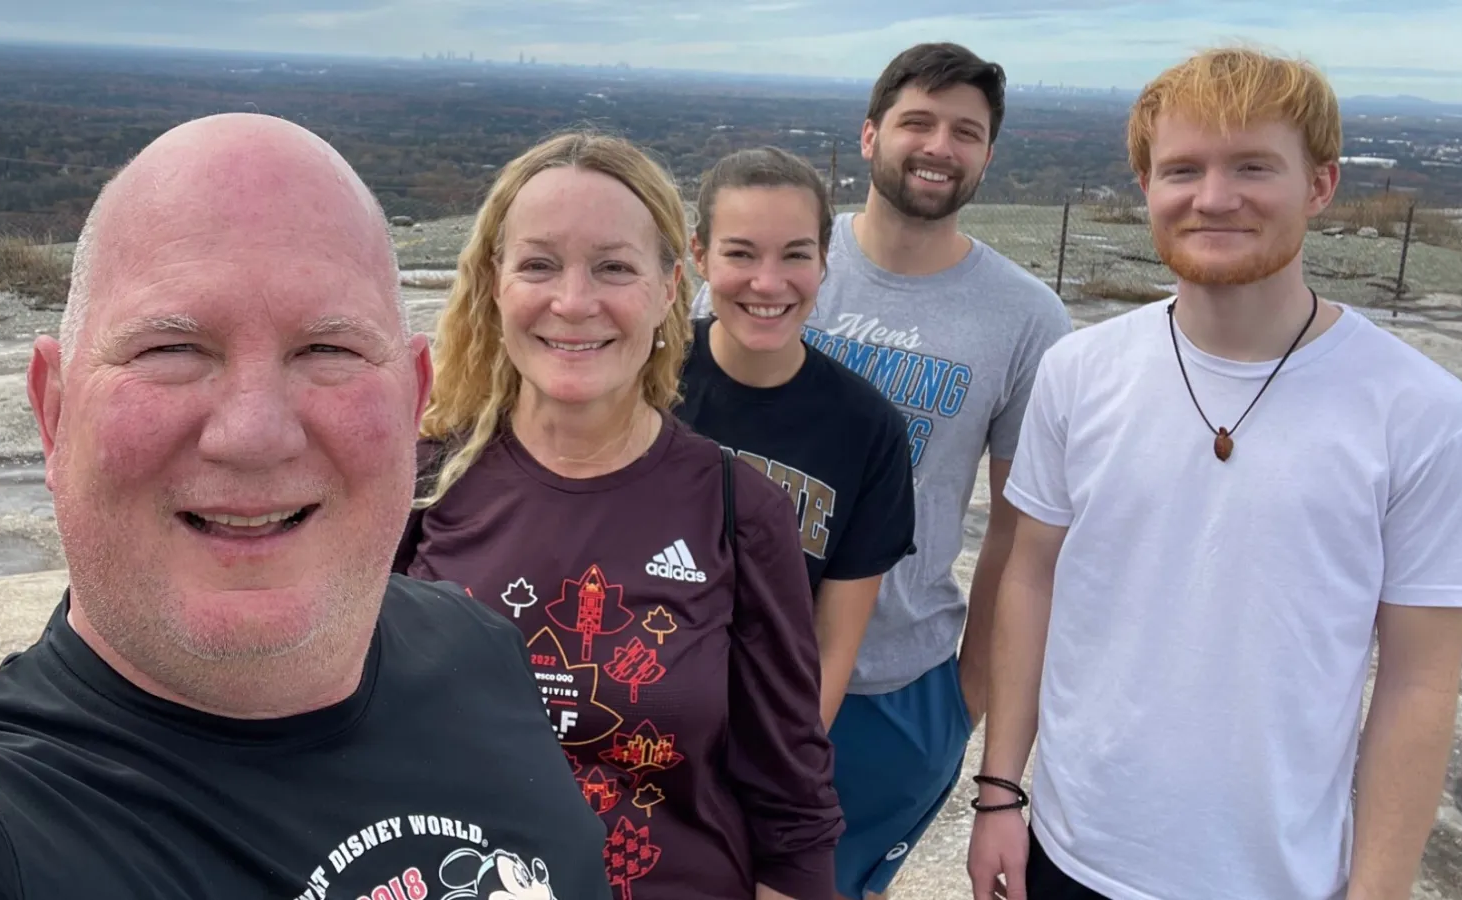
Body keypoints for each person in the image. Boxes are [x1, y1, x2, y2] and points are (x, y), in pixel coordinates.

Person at [0, 113, 611, 899]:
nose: (254, 434)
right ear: (54, 415)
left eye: (328, 350)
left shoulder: (477, 647)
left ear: (412, 406)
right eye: (171, 350)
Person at [968, 47, 1462, 900]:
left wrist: (1379, 887)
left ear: (1320, 184)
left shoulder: (1419, 410)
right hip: (1067, 851)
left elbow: (1422, 677)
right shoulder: (1079, 371)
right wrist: (999, 793)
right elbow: (1032, 578)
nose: (1213, 197)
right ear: (1145, 185)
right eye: (1183, 169)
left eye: (1252, 167)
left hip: (1281, 877)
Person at [393, 130, 844, 900]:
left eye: (613, 267)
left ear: (670, 286)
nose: (573, 302)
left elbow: (791, 812)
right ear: (493, 283)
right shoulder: (418, 487)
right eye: (538, 264)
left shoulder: (741, 512)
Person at [691, 42, 1075, 900]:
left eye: (966, 131)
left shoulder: (1026, 320)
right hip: (710, 659)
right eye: (917, 121)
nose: (939, 145)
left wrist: (961, 705)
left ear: (986, 155)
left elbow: (1019, 535)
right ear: (869, 136)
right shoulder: (772, 258)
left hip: (893, 689)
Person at [674, 145, 917, 730]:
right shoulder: (643, 377)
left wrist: (790, 772)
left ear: (824, 261)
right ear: (700, 254)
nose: (768, 281)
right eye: (740, 253)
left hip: (754, 729)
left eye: (795, 255)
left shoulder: (868, 429)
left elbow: (833, 645)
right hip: (618, 708)